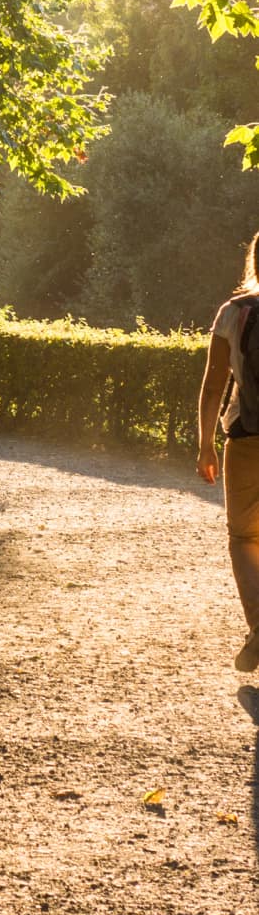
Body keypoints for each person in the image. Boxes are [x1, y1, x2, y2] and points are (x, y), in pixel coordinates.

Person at [196, 231, 259, 672]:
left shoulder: (233, 313)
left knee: (244, 537)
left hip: (247, 436)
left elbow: (214, 384)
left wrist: (205, 444)